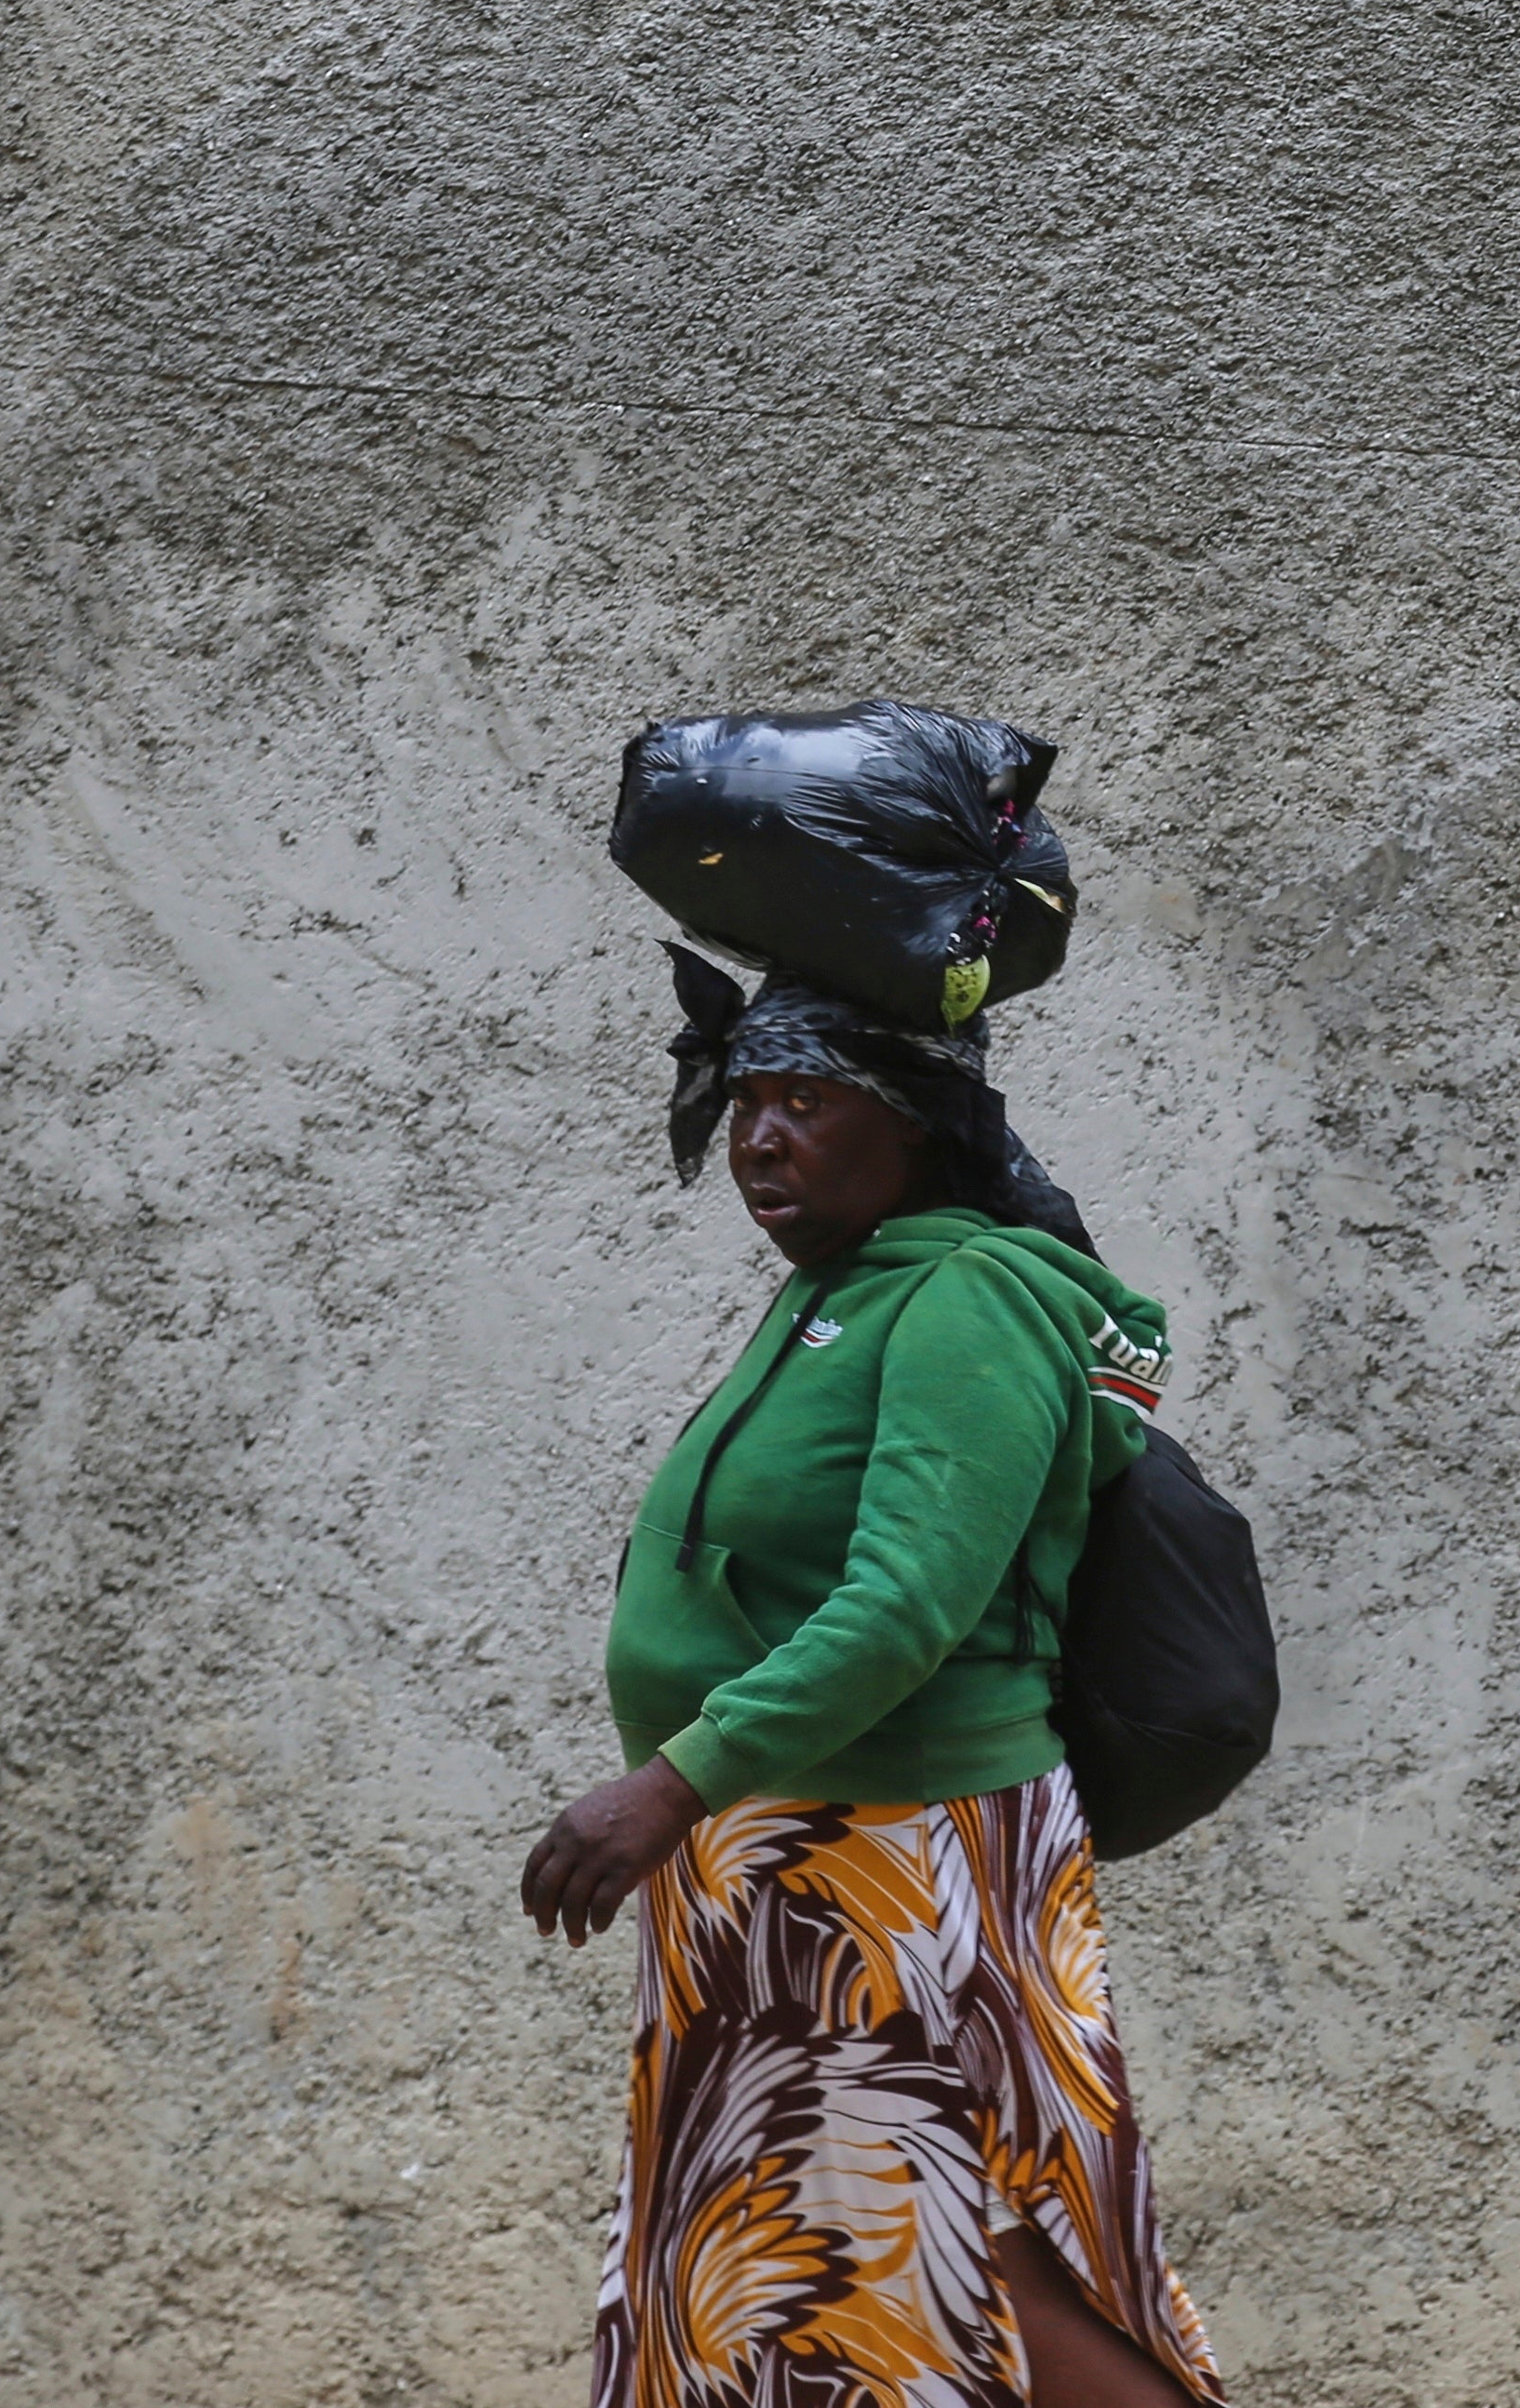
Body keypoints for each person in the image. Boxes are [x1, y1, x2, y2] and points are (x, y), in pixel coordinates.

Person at [521, 953, 1222, 2407]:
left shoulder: (969, 1297)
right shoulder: (846, 1289)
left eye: (808, 1101)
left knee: (967, 2250)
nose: (762, 1138)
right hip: (788, 1857)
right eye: (748, 1103)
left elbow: (906, 1606)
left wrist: (669, 1783)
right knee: (811, 2262)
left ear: (914, 1120)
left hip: (895, 1862)